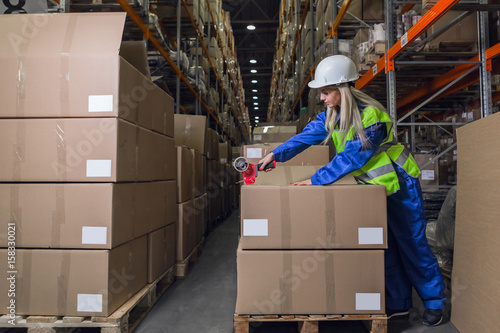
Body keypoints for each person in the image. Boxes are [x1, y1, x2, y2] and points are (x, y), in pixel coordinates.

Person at [258, 55, 446, 326]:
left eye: (325, 92)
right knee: (386, 248)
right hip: (372, 190)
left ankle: (434, 303)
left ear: (342, 89)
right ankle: (399, 304)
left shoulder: (372, 117)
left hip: (399, 185)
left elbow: (352, 157)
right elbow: (304, 137)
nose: (321, 98)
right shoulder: (332, 116)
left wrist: (316, 180)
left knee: (412, 244)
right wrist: (274, 155)